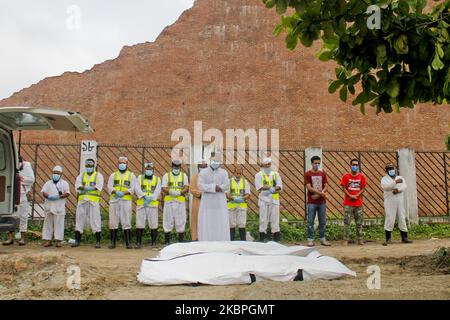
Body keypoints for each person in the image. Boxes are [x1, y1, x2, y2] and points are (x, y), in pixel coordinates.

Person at [2, 156, 35, 246]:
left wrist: (19, 179)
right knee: (10, 216)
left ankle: (22, 238)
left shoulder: (27, 166)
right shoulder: (10, 166)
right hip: (11, 195)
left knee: (23, 216)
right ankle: (10, 238)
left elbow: (31, 180)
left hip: (23, 195)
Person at [198, 154, 230, 241]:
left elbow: (227, 185)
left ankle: (222, 240)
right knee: (208, 221)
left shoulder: (224, 172)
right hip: (207, 202)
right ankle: (207, 241)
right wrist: (213, 187)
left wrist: (219, 188)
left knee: (220, 221)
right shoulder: (203, 172)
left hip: (220, 202)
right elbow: (200, 186)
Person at [73, 158, 104, 248]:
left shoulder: (98, 175)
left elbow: (98, 187)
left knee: (96, 220)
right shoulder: (81, 175)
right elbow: (77, 187)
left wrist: (85, 187)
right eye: (87, 166)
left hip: (93, 201)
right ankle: (77, 241)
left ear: (94, 166)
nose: (88, 167)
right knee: (79, 220)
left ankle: (98, 242)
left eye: (90, 166)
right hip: (82, 201)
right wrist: (90, 187)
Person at [107, 157, 136, 249]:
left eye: (124, 163)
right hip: (114, 200)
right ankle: (112, 242)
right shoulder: (113, 175)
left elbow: (133, 188)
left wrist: (123, 193)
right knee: (113, 220)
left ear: (127, 164)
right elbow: (109, 187)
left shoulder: (131, 176)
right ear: (118, 163)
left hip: (126, 200)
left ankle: (128, 242)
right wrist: (116, 192)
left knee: (126, 220)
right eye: (120, 163)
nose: (122, 164)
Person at [381, 163, 412, 246]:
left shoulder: (400, 177)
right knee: (390, 218)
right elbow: (386, 187)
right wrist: (395, 182)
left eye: (392, 168)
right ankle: (388, 238)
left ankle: (404, 237)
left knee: (402, 217)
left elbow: (404, 186)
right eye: (389, 169)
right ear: (386, 171)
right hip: (390, 201)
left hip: (400, 201)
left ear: (395, 169)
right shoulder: (384, 179)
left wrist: (398, 190)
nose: (391, 170)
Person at [41, 166, 70, 247]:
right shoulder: (48, 183)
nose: (56, 174)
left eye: (57, 173)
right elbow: (43, 192)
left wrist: (58, 197)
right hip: (49, 206)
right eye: (54, 172)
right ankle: (48, 240)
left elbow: (67, 193)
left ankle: (58, 241)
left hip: (59, 207)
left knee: (59, 224)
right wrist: (49, 196)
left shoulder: (64, 183)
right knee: (47, 224)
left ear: (61, 174)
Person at [304, 156, 331, 247]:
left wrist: (320, 194)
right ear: (311, 163)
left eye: (318, 163)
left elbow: (326, 186)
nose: (317, 165)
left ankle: (323, 239)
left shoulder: (322, 173)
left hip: (321, 202)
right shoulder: (307, 174)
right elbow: (309, 187)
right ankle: (310, 240)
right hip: (312, 202)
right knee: (310, 221)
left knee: (322, 221)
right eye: (315, 163)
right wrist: (320, 193)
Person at [255, 157, 283, 242]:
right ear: (263, 165)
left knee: (275, 219)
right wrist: (269, 188)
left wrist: (273, 189)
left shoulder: (275, 174)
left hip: (274, 199)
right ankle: (262, 237)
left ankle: (276, 238)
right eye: (266, 164)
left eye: (269, 164)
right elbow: (259, 187)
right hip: (263, 199)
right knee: (263, 219)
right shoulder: (258, 175)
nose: (268, 166)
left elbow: (280, 186)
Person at [161, 160, 189, 245]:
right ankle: (167, 241)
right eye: (175, 167)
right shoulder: (166, 175)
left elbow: (186, 187)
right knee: (167, 220)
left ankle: (180, 241)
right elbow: (164, 187)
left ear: (180, 167)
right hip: (169, 201)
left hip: (180, 201)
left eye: (178, 167)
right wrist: (171, 192)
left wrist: (180, 192)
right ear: (172, 167)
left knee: (181, 220)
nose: (176, 169)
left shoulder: (184, 176)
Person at [134, 162, 161, 248]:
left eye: (150, 169)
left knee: (153, 223)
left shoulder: (157, 179)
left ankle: (153, 243)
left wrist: (151, 198)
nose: (149, 170)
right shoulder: (140, 178)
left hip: (152, 204)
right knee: (139, 223)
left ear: (153, 170)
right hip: (142, 204)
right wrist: (144, 196)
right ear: (145, 169)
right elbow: (137, 188)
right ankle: (138, 243)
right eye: (147, 169)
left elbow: (158, 190)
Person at [341, 159, 366, 246]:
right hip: (348, 203)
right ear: (350, 165)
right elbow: (343, 188)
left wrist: (357, 195)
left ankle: (359, 239)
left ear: (358, 166)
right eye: (353, 165)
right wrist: (350, 196)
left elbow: (363, 188)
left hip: (358, 203)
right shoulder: (346, 176)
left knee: (359, 222)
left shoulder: (362, 176)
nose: (354, 166)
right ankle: (346, 239)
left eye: (356, 165)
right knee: (347, 222)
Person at [226, 166, 250, 241]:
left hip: (241, 205)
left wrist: (242, 198)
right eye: (237, 173)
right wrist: (234, 198)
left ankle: (243, 241)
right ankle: (231, 241)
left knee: (242, 224)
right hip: (231, 205)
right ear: (234, 173)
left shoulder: (245, 182)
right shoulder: (229, 181)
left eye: (240, 173)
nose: (238, 175)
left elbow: (248, 194)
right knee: (231, 224)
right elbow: (226, 194)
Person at [189, 160, 208, 241]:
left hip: (208, 203)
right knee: (196, 220)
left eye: (204, 167)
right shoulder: (194, 177)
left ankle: (206, 237)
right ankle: (195, 238)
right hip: (197, 202)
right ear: (198, 168)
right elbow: (191, 189)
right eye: (201, 167)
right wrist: (201, 194)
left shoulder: (209, 178)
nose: (202, 168)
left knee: (207, 221)